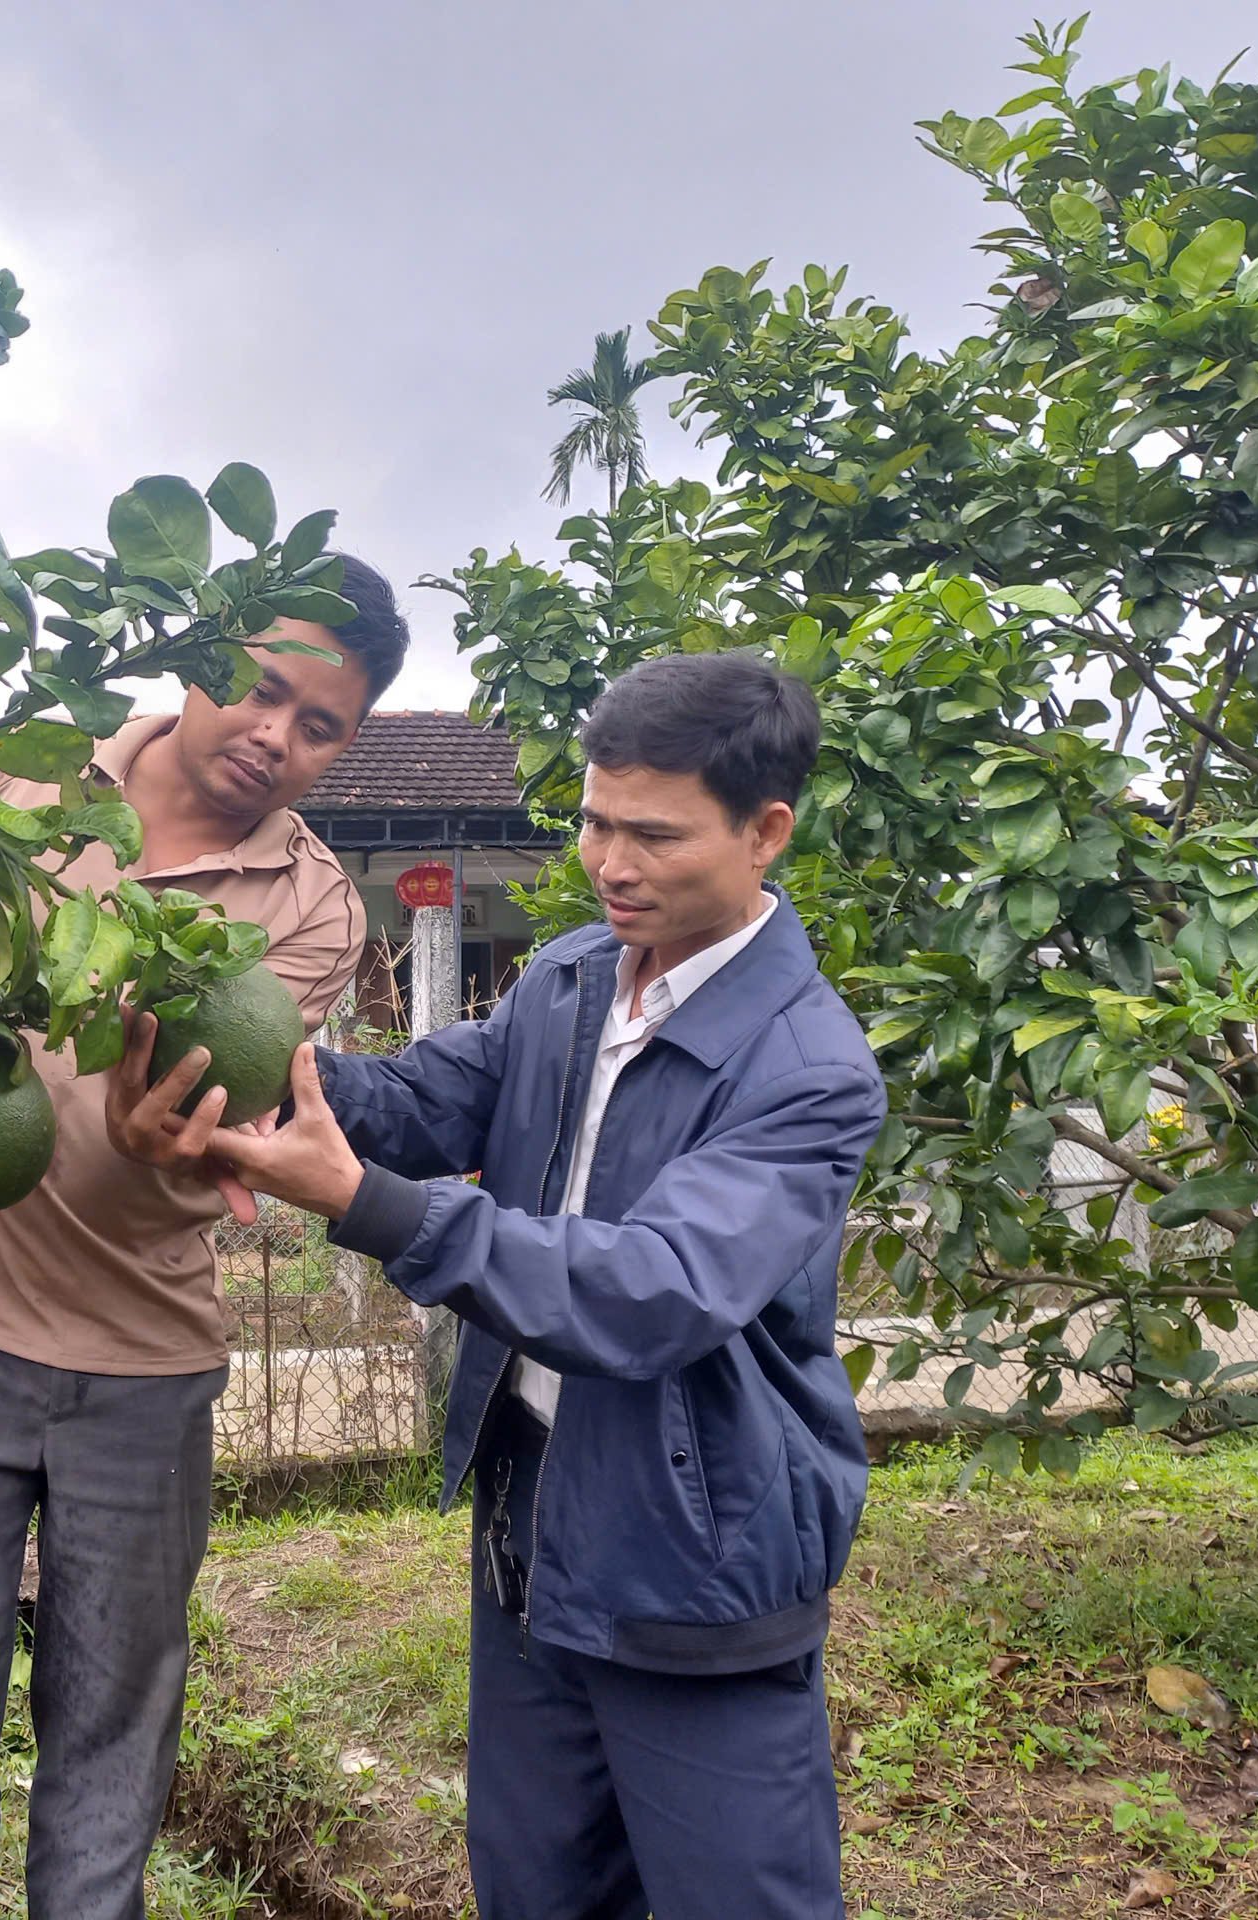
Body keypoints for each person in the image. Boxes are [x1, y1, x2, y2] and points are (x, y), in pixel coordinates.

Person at [119, 650, 885, 1920]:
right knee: (535, 1887)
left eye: (653, 834)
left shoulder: (807, 1068)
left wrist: (366, 1205)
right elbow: (425, 1099)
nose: (610, 862)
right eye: (591, 822)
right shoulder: (577, 975)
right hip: (533, 1524)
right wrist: (259, 1068)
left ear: (765, 834)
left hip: (697, 1553)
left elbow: (655, 1289)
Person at [0, 559, 410, 1920]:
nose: (274, 736)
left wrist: (156, 1142)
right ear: (198, 654)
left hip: (144, 1361)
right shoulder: (26, 780)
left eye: (319, 725)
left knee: (112, 1742)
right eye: (260, 688)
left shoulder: (312, 911)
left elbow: (223, 1108)